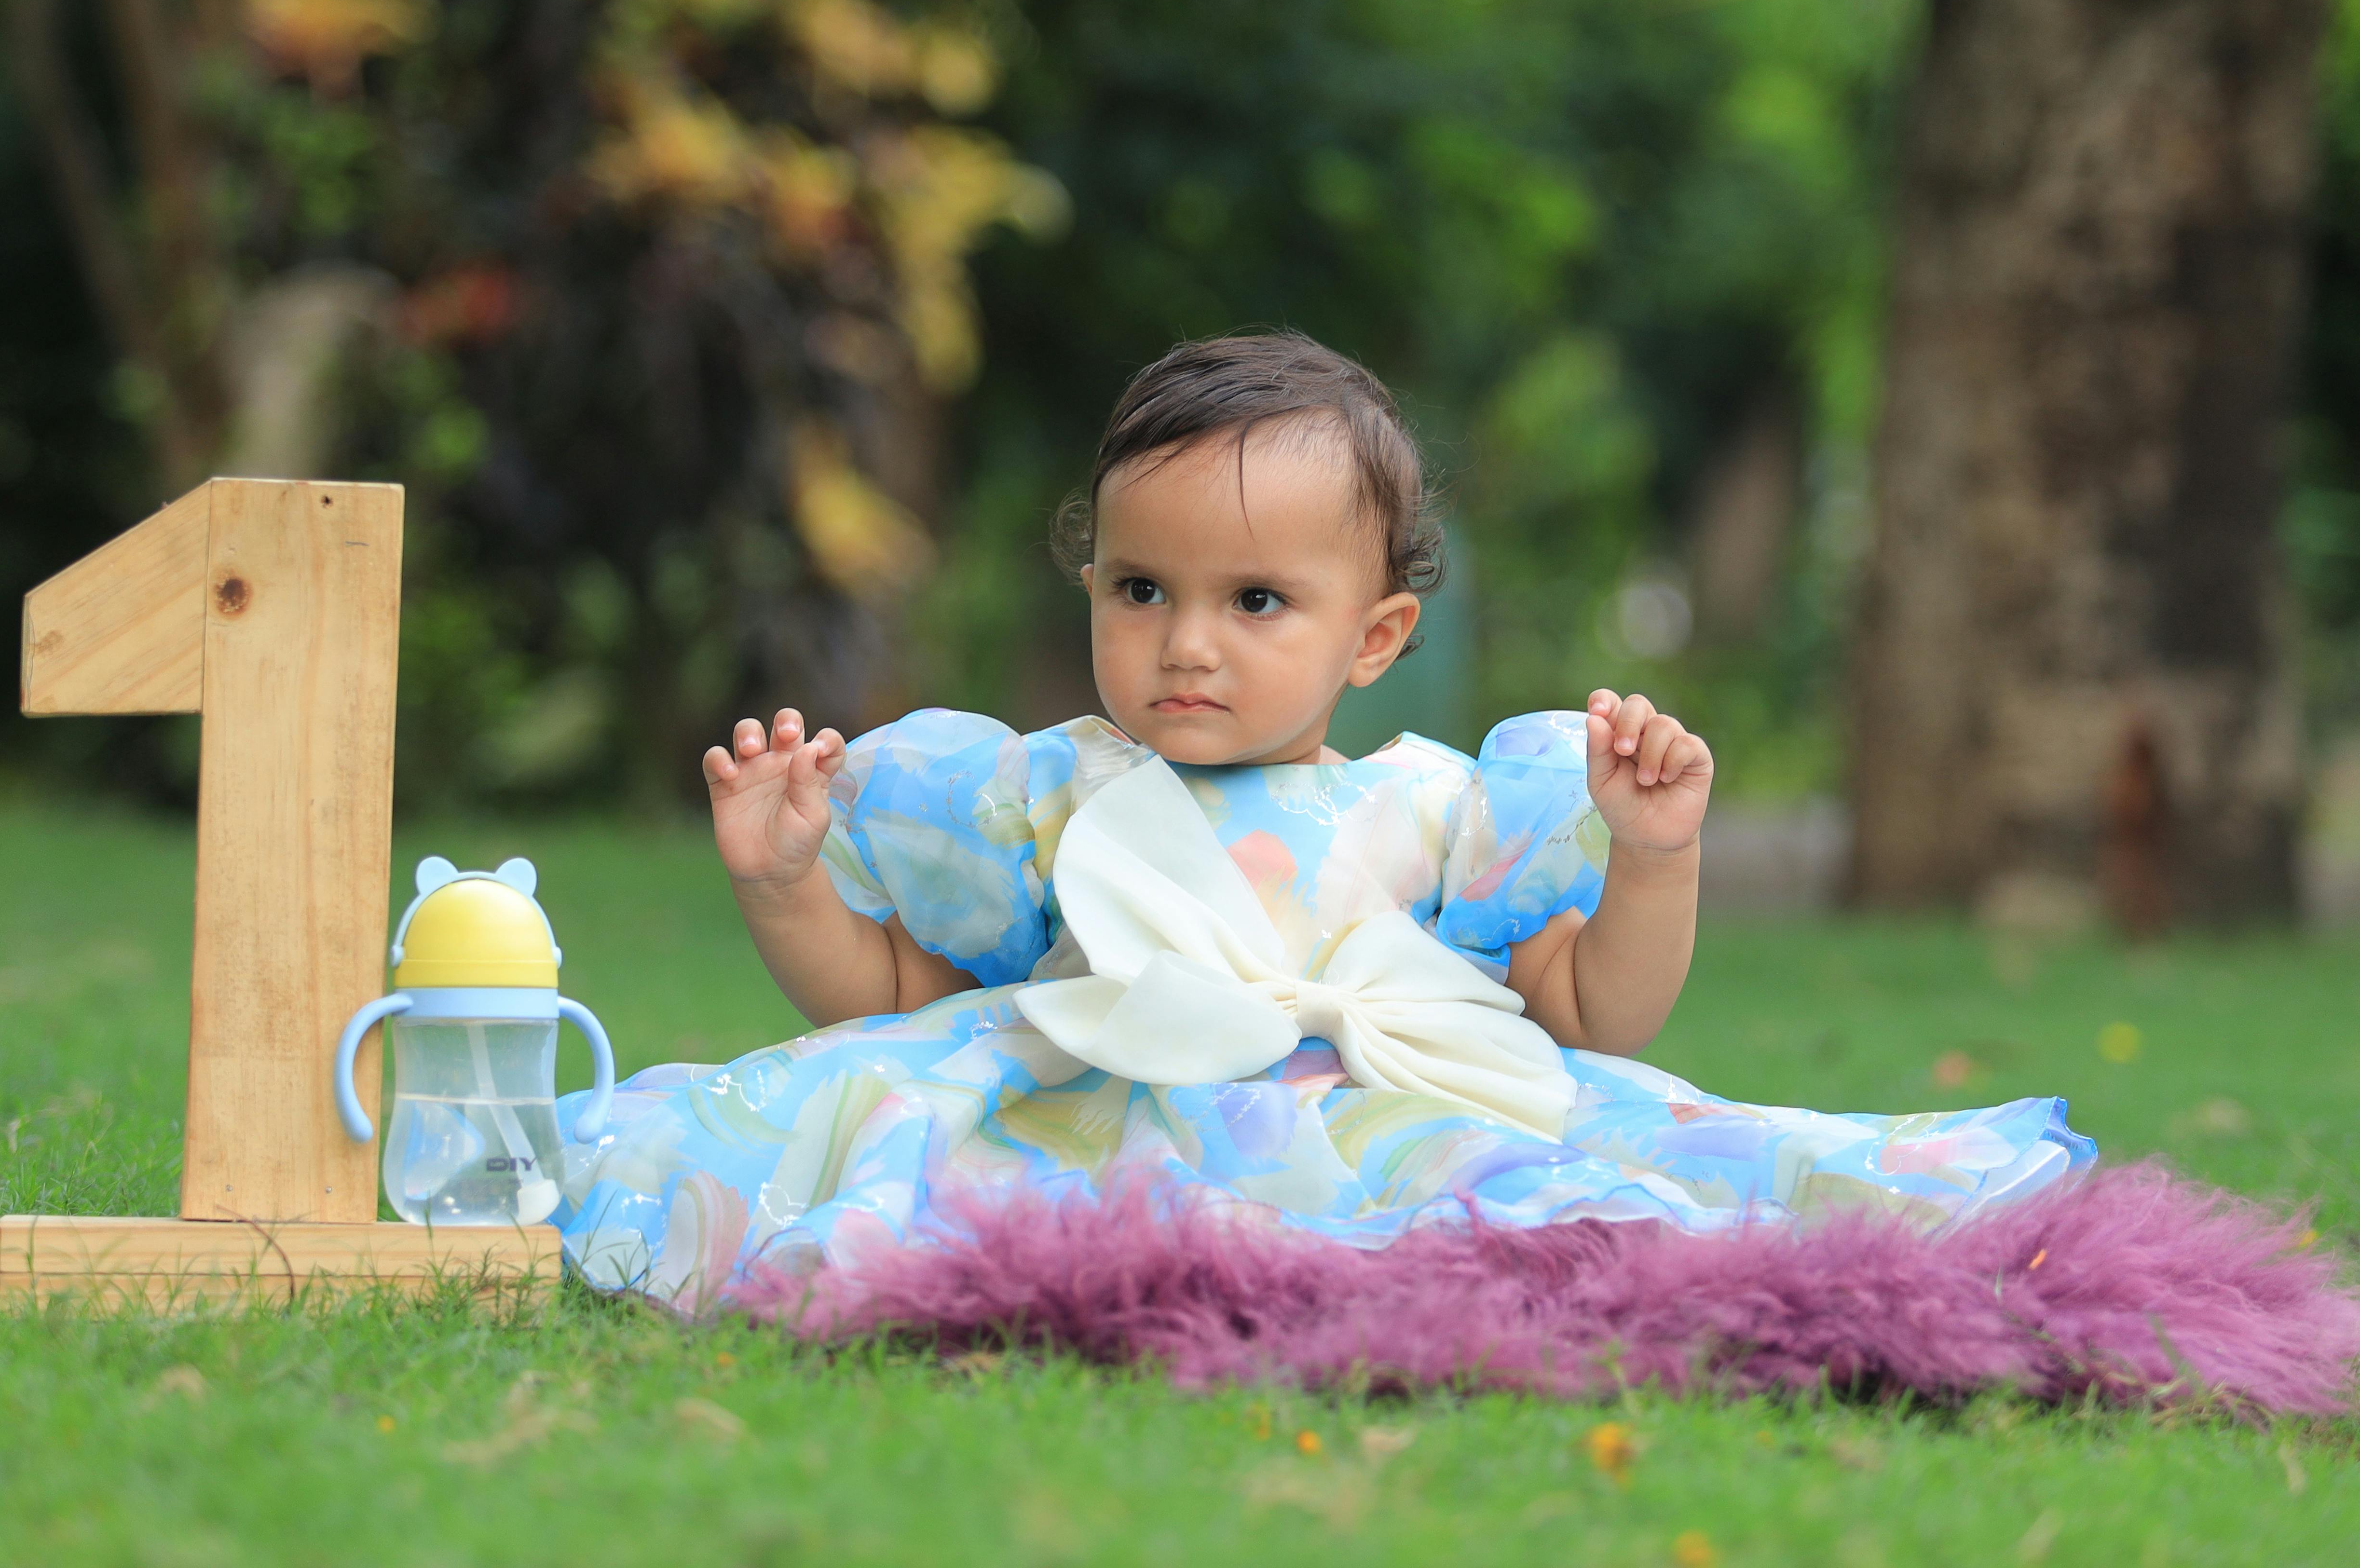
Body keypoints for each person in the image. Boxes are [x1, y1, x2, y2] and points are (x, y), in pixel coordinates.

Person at [556, 332, 2091, 1303]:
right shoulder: (1051, 793)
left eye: (1256, 602)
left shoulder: (1433, 809)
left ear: (1374, 637)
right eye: (1140, 589)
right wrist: (788, 885)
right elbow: (897, 1000)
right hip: (1102, 1117)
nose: (1186, 644)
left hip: (1365, 1111)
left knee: (1548, 1199)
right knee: (911, 1168)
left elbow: (1596, 1019)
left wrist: (1652, 856)